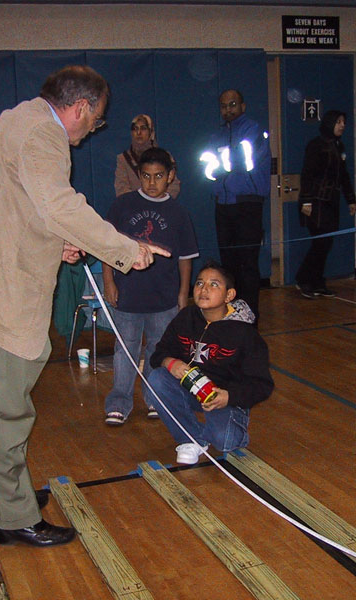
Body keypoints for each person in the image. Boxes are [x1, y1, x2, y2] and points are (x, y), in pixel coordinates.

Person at [0, 65, 170, 548]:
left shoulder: (20, 121)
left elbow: (16, 207)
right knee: (5, 412)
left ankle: (10, 492)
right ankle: (13, 518)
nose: (91, 131)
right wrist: (125, 248)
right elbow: (58, 205)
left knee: (9, 401)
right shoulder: (43, 133)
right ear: (80, 108)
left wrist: (57, 242)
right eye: (96, 121)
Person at [102, 147, 198, 426]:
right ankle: (119, 402)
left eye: (158, 176)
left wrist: (183, 294)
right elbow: (107, 247)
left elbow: (185, 258)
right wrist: (109, 281)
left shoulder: (178, 212)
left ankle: (156, 398)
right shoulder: (122, 205)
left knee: (158, 350)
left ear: (170, 176)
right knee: (125, 350)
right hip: (128, 295)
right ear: (139, 176)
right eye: (146, 176)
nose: (152, 182)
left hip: (164, 298)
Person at [144, 260, 273, 465]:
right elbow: (159, 353)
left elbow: (262, 385)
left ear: (229, 295)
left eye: (214, 284)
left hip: (225, 397)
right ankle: (190, 438)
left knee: (225, 442)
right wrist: (170, 362)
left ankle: (231, 429)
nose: (204, 289)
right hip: (192, 390)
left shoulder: (245, 334)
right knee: (157, 379)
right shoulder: (186, 317)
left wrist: (229, 396)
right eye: (199, 283)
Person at [203, 89, 271, 325]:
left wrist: (230, 178)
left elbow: (247, 166)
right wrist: (217, 185)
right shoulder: (217, 135)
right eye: (223, 106)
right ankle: (231, 316)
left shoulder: (253, 131)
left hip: (247, 204)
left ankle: (249, 319)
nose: (228, 110)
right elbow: (210, 168)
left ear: (243, 106)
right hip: (223, 205)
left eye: (232, 104)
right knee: (228, 266)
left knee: (247, 264)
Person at [295, 110, 356, 299]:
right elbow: (307, 173)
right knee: (320, 243)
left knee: (326, 244)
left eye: (343, 122)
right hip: (316, 202)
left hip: (331, 202)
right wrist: (306, 200)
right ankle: (304, 279)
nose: (342, 125)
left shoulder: (339, 146)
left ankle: (317, 282)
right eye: (338, 122)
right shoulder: (316, 145)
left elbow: (344, 176)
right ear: (330, 123)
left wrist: (351, 199)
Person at [115, 114, 180, 198]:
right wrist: (140, 202)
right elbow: (121, 188)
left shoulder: (164, 157)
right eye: (135, 129)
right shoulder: (123, 159)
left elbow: (174, 186)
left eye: (143, 128)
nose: (139, 133)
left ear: (151, 132)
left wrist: (158, 200)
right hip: (132, 205)